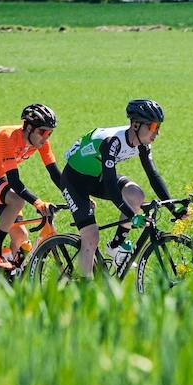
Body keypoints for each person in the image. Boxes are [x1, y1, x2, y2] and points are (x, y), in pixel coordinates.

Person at [60, 99, 173, 278]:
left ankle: (116, 246)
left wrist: (173, 207)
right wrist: (132, 215)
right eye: (152, 126)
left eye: (158, 127)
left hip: (98, 177)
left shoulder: (143, 144)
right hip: (75, 180)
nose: (156, 132)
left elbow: (153, 176)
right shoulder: (112, 142)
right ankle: (84, 286)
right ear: (136, 125)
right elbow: (112, 188)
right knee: (91, 236)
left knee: (136, 194)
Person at [0, 103, 63, 269]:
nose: (46, 137)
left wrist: (78, 197)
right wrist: (38, 203)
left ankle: (7, 275)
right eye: (43, 132)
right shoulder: (7, 137)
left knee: (20, 235)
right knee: (17, 200)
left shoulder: (41, 143)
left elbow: (56, 175)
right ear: (29, 127)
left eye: (50, 133)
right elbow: (15, 183)